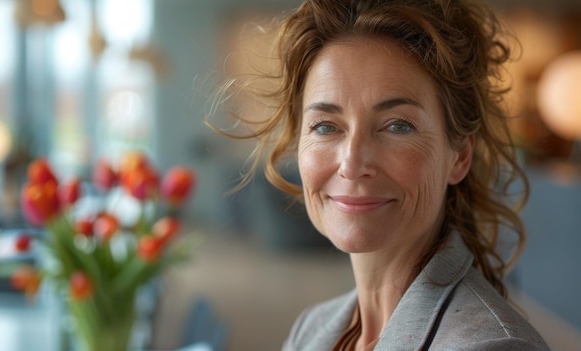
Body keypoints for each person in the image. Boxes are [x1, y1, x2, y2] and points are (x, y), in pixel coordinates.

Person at [211, 0, 550, 349]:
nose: (353, 163)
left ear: (460, 156)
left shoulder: (491, 345)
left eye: (398, 126)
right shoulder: (310, 329)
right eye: (326, 126)